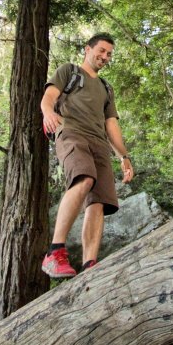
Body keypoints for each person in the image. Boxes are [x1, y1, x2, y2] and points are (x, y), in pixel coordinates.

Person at [39, 33, 134, 278]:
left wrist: (123, 156)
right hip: (71, 132)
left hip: (99, 143)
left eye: (109, 54)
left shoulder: (106, 88)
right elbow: (48, 97)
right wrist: (48, 113)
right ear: (87, 49)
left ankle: (90, 264)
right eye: (101, 51)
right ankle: (54, 253)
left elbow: (111, 124)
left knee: (98, 201)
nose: (104, 57)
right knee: (84, 179)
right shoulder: (69, 71)